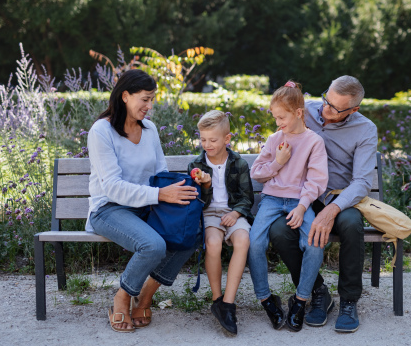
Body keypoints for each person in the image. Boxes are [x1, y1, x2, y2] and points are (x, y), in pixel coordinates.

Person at [86, 69, 200, 333]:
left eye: (152, 100)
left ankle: (145, 296)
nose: (149, 106)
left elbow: (160, 174)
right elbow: (112, 188)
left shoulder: (149, 130)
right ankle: (123, 297)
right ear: (125, 96)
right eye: (145, 99)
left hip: (146, 207)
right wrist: (160, 195)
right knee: (153, 245)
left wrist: (187, 187)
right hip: (109, 210)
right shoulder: (101, 131)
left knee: (191, 232)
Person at [268, 75, 378, 333]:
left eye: (335, 108)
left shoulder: (365, 129)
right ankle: (317, 291)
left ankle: (349, 300)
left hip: (338, 197)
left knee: (351, 225)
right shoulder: (305, 109)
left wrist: (333, 208)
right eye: (325, 100)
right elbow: (280, 126)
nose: (324, 110)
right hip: (302, 194)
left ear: (354, 109)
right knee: (279, 231)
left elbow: (361, 182)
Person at [248, 81, 328, 332]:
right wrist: (278, 163)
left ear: (299, 113)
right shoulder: (274, 139)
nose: (277, 122)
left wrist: (303, 207)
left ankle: (301, 301)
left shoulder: (314, 142)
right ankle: (266, 300)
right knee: (254, 243)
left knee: (314, 243)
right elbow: (257, 173)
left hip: (299, 201)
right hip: (271, 199)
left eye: (281, 117)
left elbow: (316, 181)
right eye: (274, 117)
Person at [187, 110, 254, 336]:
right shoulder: (196, 164)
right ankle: (217, 299)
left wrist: (236, 214)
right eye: (203, 139)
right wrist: (205, 186)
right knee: (213, 244)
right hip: (209, 213)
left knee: (243, 240)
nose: (207, 144)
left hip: (233, 212)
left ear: (227, 139)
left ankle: (228, 303)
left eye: (213, 140)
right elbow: (197, 203)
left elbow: (247, 198)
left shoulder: (239, 163)